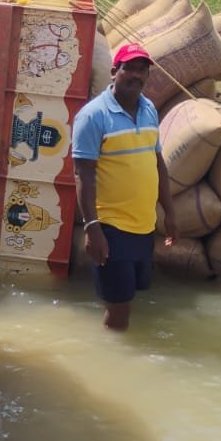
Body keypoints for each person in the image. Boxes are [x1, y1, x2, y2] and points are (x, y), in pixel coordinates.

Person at [72, 42, 177, 331]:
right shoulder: (93, 116)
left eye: (142, 70)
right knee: (118, 309)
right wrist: (93, 228)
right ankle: (109, 364)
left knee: (132, 297)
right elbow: (83, 174)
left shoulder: (149, 110)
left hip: (143, 227)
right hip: (111, 228)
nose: (136, 75)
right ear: (113, 72)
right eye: (129, 68)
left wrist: (169, 212)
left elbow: (158, 164)